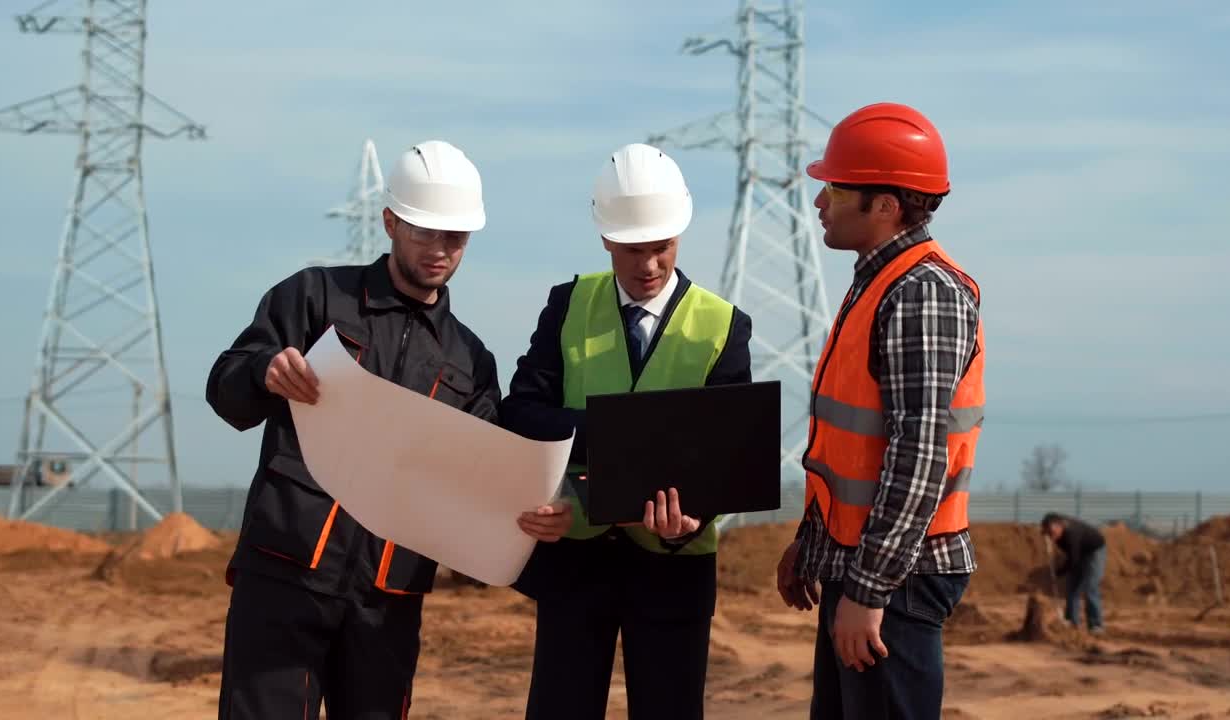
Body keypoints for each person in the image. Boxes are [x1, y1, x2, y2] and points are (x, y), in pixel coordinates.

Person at [206, 141, 501, 719]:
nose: (441, 250)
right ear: (390, 220)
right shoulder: (315, 297)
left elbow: (483, 476)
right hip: (287, 570)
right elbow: (224, 387)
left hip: (387, 599)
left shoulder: (470, 360)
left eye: (457, 238)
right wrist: (264, 372)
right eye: (425, 232)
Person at [500, 143, 753, 720]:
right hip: (575, 563)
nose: (649, 267)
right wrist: (614, 439)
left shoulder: (723, 327)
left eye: (661, 248)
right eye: (633, 250)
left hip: (674, 566)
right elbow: (522, 412)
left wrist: (688, 522)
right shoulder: (568, 305)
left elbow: (727, 455)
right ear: (606, 239)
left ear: (680, 236)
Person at [774, 102, 986, 720]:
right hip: (869, 565)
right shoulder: (881, 280)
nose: (819, 202)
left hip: (898, 578)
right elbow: (853, 450)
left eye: (835, 189)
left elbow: (919, 457)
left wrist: (868, 591)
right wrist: (811, 543)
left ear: (887, 205)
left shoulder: (922, 293)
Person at [1041, 512, 1107, 633]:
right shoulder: (1056, 534)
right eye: (1047, 534)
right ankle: (1071, 623)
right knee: (1072, 589)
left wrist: (1058, 573)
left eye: (1051, 533)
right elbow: (1073, 557)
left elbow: (1073, 560)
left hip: (1094, 551)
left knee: (1090, 588)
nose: (1050, 537)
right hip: (1079, 552)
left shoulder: (1072, 534)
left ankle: (1096, 625)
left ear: (1059, 526)